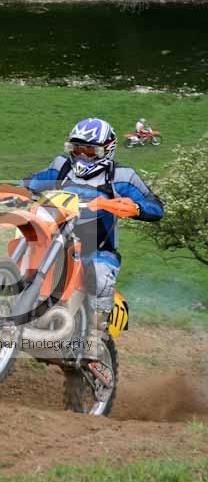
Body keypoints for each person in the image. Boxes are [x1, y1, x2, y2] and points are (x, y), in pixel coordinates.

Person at [18, 117, 164, 364]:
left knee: (99, 271)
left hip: (97, 247)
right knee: (26, 243)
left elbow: (156, 207)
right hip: (56, 237)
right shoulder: (61, 167)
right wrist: (16, 191)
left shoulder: (122, 176)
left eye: (89, 151)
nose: (82, 156)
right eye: (77, 149)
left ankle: (94, 339)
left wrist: (135, 207)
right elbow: (32, 182)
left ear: (106, 149)